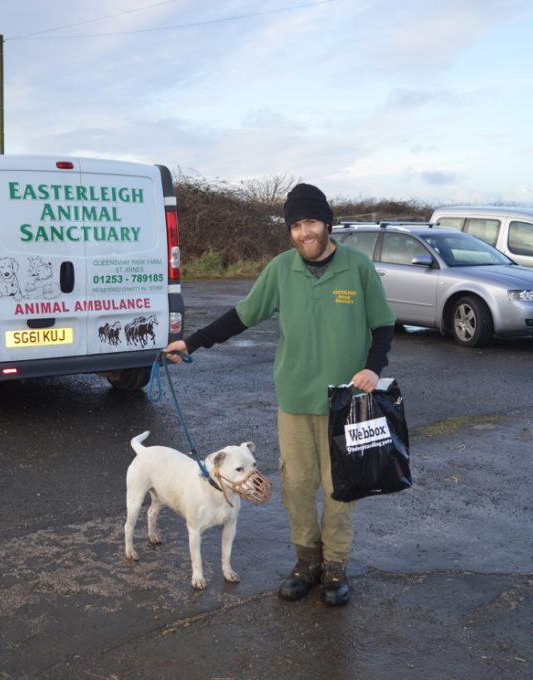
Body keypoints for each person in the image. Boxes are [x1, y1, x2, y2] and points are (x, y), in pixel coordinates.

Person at [163, 183, 395, 606]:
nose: (304, 232)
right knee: (298, 487)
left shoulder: (357, 267)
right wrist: (192, 342)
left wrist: (372, 368)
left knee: (341, 487)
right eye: (296, 225)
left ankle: (336, 565)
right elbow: (242, 316)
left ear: (327, 222)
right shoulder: (281, 269)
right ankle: (307, 563)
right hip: (295, 399)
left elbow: (383, 325)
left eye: (311, 222)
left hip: (346, 402)